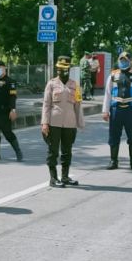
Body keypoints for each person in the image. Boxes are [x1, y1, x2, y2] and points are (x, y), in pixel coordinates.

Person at [41, 56, 85, 188]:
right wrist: (44, 123)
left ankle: (65, 177)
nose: (62, 71)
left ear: (69, 69)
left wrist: (80, 123)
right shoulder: (51, 83)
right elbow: (46, 104)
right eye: (60, 68)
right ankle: (53, 178)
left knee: (67, 151)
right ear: (57, 69)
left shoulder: (75, 85)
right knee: (53, 151)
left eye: (65, 69)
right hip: (54, 123)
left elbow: (78, 105)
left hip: (70, 124)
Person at [102, 52, 132, 170]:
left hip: (131, 111)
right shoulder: (113, 75)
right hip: (116, 110)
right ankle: (113, 161)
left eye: (125, 60)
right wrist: (105, 111)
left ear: (130, 61)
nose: (123, 62)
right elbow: (107, 93)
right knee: (114, 136)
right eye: (121, 60)